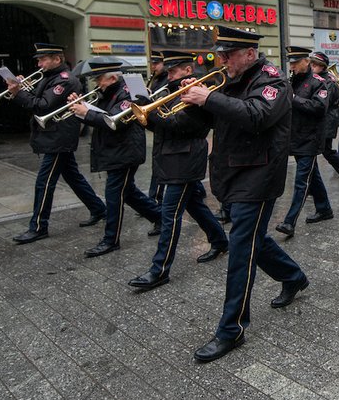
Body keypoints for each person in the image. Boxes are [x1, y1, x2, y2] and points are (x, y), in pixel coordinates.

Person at [181, 27, 308, 362]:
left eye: (228, 55)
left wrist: (209, 97)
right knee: (251, 237)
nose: (222, 61)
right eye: (221, 55)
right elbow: (208, 121)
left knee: (240, 247)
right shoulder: (231, 80)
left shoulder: (273, 80)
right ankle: (293, 276)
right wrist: (192, 100)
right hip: (232, 171)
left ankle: (231, 329)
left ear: (250, 54)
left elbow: (257, 116)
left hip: (260, 174)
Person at [127, 52, 229, 291]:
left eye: (173, 71)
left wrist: (149, 110)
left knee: (169, 216)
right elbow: (159, 125)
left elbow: (181, 125)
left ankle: (159, 270)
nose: (168, 75)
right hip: (171, 158)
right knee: (196, 205)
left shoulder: (197, 91)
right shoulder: (167, 91)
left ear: (187, 70)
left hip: (185, 159)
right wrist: (144, 114)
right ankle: (220, 240)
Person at [6, 43, 106, 244]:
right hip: (53, 135)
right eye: (38, 60)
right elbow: (37, 97)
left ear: (57, 59)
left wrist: (19, 93)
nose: (39, 63)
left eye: (43, 59)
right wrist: (22, 87)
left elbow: (42, 106)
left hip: (58, 137)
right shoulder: (48, 77)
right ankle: (99, 209)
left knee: (44, 182)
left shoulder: (65, 80)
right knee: (73, 176)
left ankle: (38, 227)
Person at [70, 59, 161, 257]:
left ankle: (110, 240)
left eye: (99, 79)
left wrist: (86, 114)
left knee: (114, 196)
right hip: (116, 151)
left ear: (112, 78)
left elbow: (116, 121)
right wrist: (79, 108)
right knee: (128, 193)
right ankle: (160, 217)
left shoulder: (127, 92)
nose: (97, 84)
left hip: (126, 152)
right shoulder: (106, 93)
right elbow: (100, 116)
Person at [276, 47, 333, 236]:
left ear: (306, 62)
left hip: (310, 138)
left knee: (302, 181)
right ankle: (324, 208)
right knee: (312, 175)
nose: (292, 67)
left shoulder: (319, 82)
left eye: (295, 63)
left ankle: (289, 222)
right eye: (290, 63)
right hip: (295, 136)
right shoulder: (291, 81)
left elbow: (319, 107)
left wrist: (293, 99)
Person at [308, 51, 339, 190]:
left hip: (327, 120)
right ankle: (311, 185)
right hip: (317, 120)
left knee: (327, 151)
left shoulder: (328, 81)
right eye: (311, 64)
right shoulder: (313, 78)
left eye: (314, 65)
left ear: (322, 67)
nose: (311, 67)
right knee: (311, 152)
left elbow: (322, 102)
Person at [146, 50, 169, 204]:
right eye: (152, 63)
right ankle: (152, 198)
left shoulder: (166, 78)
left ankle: (154, 199)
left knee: (160, 166)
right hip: (157, 126)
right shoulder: (154, 79)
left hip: (165, 124)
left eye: (156, 63)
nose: (153, 66)